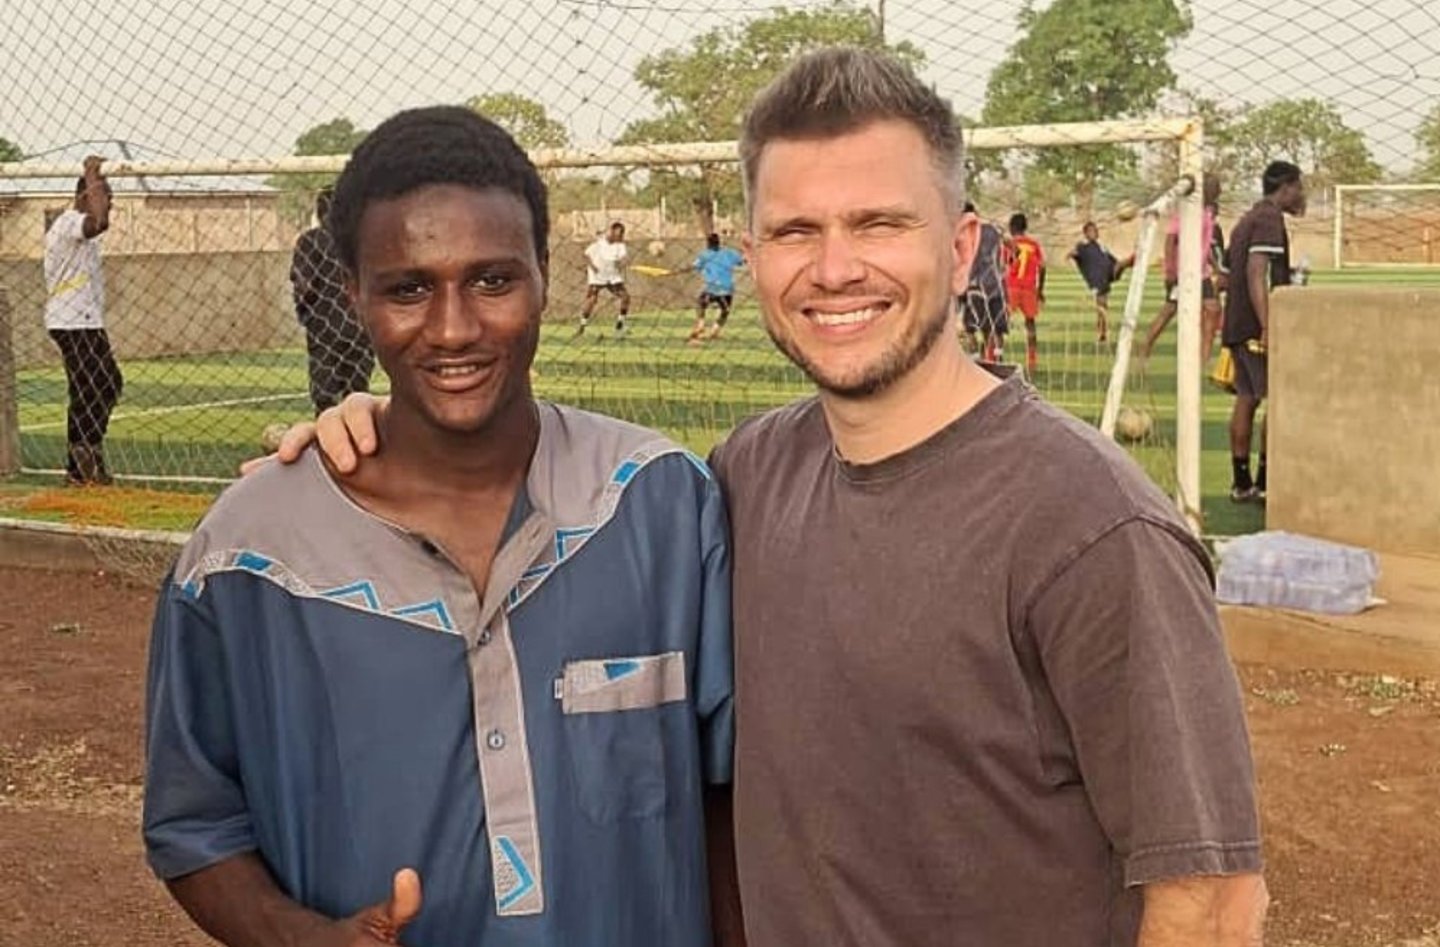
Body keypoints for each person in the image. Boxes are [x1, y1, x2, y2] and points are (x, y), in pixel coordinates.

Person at [270, 49, 1268, 947]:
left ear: (964, 248)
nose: (835, 268)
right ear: (753, 260)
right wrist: (376, 436)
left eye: (879, 223)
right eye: (796, 231)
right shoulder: (749, 474)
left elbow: (1213, 901)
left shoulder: (1090, 526)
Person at [144, 107, 739, 947]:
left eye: (492, 281)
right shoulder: (246, 555)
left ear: (544, 277)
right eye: (409, 289)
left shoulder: (662, 504)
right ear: (353, 295)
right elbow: (192, 821)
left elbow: (736, 798)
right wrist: (297, 935)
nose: (454, 328)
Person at [1222, 160, 1306, 503]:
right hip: (1256, 327)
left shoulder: (1247, 219)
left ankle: (1242, 483)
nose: (1301, 194)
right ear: (1285, 187)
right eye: (1299, 187)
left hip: (1238, 324)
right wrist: (1268, 325)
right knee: (1274, 397)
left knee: (1247, 397)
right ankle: (1266, 480)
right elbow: (1256, 273)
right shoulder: (1269, 218)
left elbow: (1225, 275)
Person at [43, 156, 122, 485]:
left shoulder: (80, 231)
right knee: (90, 387)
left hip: (85, 320)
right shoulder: (69, 223)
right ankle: (80, 462)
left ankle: (85, 453)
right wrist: (92, 174)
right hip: (72, 321)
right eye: (105, 197)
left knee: (106, 384)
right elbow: (99, 222)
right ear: (85, 196)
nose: (109, 206)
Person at [290, 187, 376, 414]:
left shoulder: (311, 240)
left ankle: (327, 430)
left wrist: (304, 310)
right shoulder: (362, 241)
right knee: (357, 392)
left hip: (325, 324)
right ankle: (358, 432)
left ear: (319, 212)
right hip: (361, 324)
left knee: (325, 396)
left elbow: (304, 284)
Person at [1140, 173, 1227, 365]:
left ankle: (1204, 358)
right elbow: (1171, 240)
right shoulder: (1187, 212)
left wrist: (1215, 267)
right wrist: (1171, 270)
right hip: (1183, 271)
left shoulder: (1207, 213)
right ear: (1206, 189)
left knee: (1213, 309)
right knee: (1169, 310)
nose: (1219, 191)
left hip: (1201, 272)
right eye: (1215, 187)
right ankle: (1145, 347)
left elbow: (1204, 246)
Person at [1067, 220, 1134, 344]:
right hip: (1098, 279)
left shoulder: (1101, 246)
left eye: (1095, 230)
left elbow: (1112, 259)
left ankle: (1132, 260)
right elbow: (1074, 253)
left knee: (1121, 264)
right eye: (1091, 231)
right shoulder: (1082, 247)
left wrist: (1118, 266)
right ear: (1086, 233)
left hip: (1109, 272)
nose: (1094, 232)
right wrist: (1071, 255)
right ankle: (1102, 333)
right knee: (1102, 305)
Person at [958, 201, 1009, 362]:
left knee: (971, 328)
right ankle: (996, 359)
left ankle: (976, 359)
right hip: (996, 286)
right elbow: (1012, 249)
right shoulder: (993, 230)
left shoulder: (960, 234)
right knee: (995, 329)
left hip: (974, 287)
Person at [1004, 211, 1046, 374]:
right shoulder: (1034, 244)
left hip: (1012, 287)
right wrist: (1040, 290)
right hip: (1029, 288)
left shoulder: (1009, 244)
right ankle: (1032, 361)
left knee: (1000, 322)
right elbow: (1042, 268)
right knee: (1030, 323)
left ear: (1011, 227)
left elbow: (1002, 265)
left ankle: (992, 356)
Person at [688, 232, 746, 343]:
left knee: (701, 304)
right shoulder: (729, 253)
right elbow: (742, 261)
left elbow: (695, 266)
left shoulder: (704, 255)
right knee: (724, 311)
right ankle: (715, 330)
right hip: (726, 289)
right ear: (719, 242)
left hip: (712, 288)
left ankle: (701, 323)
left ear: (708, 243)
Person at [577, 220, 630, 337]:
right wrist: (593, 267)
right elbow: (586, 255)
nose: (620, 236)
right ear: (612, 231)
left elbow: (624, 258)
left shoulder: (620, 246)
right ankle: (582, 327)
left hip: (612, 276)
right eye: (618, 233)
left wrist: (621, 264)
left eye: (622, 234)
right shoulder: (599, 243)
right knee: (591, 300)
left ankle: (620, 325)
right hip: (597, 276)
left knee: (625, 297)